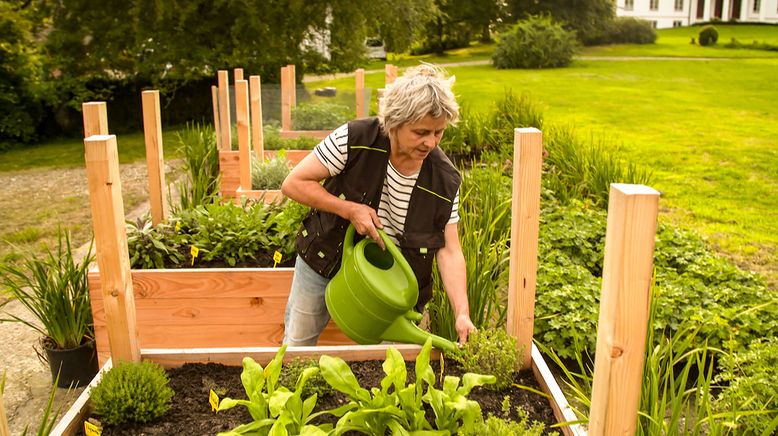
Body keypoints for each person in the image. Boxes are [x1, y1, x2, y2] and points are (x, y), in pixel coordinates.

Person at [280, 63, 475, 347]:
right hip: (326, 256)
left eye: (438, 133)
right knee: (298, 342)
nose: (430, 142)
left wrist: (462, 313)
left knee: (391, 367)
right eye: (420, 132)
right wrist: (349, 209)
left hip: (392, 283)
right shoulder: (355, 139)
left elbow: (450, 250)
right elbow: (294, 183)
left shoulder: (445, 181)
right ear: (394, 122)